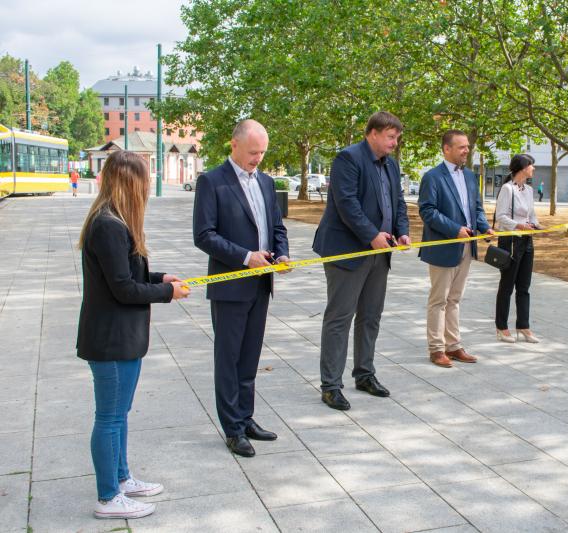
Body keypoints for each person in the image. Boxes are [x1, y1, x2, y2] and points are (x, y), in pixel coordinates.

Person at [76, 150, 190, 519]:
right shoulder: (108, 225)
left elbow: (129, 276)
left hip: (123, 338)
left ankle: (122, 478)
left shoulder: (117, 222)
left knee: (119, 414)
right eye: (143, 179)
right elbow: (123, 289)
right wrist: (166, 293)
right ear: (129, 182)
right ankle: (108, 497)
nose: (146, 187)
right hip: (110, 340)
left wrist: (160, 279)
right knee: (109, 417)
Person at [193, 119, 290, 457]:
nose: (257, 159)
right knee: (229, 359)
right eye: (252, 152)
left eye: (262, 153)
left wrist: (282, 253)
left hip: (262, 284)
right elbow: (204, 235)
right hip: (230, 286)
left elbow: (277, 226)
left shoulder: (266, 182)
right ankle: (232, 428)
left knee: (250, 358)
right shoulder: (212, 182)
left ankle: (246, 417)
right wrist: (247, 257)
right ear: (233, 145)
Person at [313, 111, 410, 410]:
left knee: (370, 316)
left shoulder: (391, 166)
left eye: (396, 138)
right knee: (340, 318)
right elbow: (347, 203)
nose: (395, 143)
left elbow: (398, 202)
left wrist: (402, 232)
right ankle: (331, 385)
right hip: (348, 251)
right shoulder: (348, 158)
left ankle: (365, 374)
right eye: (391, 137)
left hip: (380, 252)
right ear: (373, 133)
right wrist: (372, 235)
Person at [418, 130, 494, 367]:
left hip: (467, 247)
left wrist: (484, 228)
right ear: (446, 149)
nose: (466, 150)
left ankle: (453, 345)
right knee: (438, 300)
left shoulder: (471, 176)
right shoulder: (432, 177)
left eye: (468, 146)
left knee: (455, 299)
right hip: (443, 246)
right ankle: (436, 349)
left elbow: (476, 208)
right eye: (461, 147)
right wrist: (455, 229)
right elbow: (427, 211)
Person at [494, 155, 544, 343]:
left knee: (524, 286)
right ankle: (502, 327)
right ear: (523, 167)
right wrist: (519, 226)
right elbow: (501, 217)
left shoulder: (529, 190)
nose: (534, 169)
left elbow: (532, 214)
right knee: (507, 286)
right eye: (532, 165)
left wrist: (536, 225)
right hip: (511, 241)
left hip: (527, 241)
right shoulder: (508, 189)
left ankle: (524, 326)